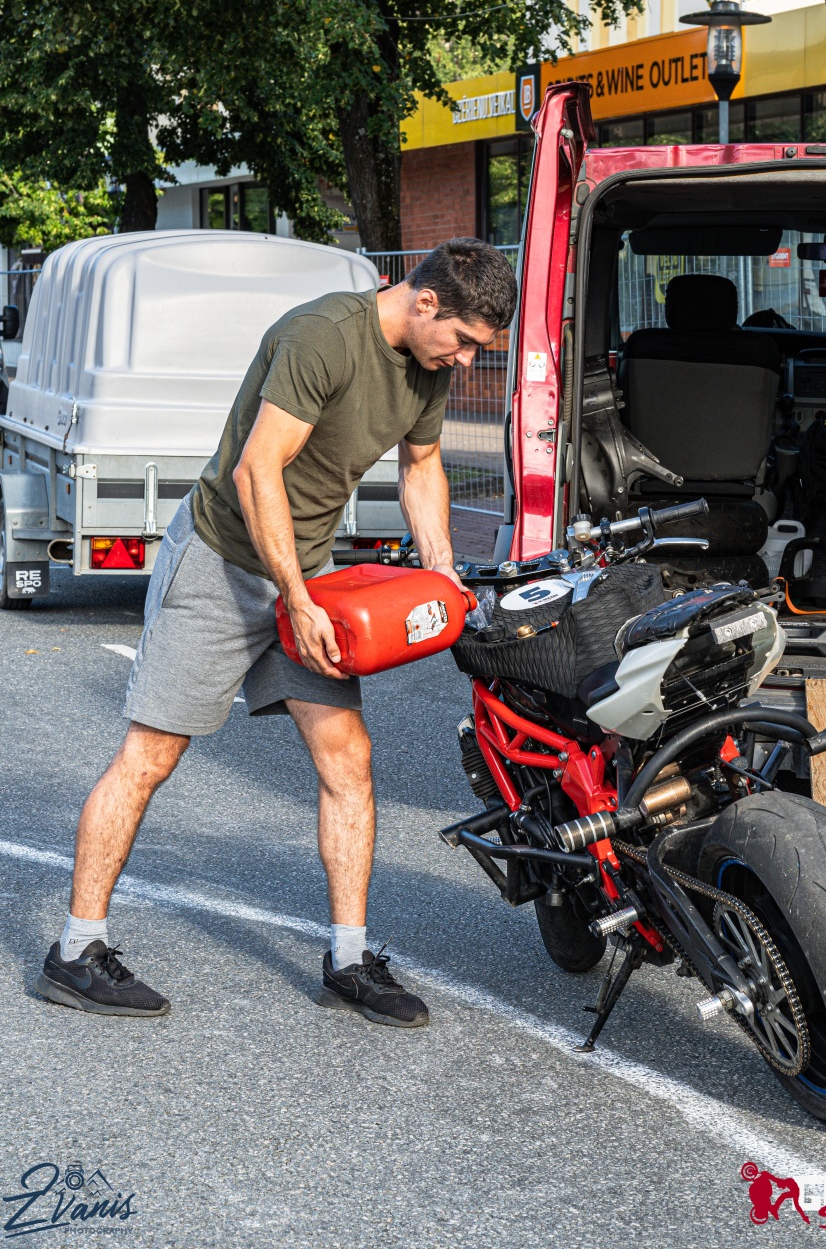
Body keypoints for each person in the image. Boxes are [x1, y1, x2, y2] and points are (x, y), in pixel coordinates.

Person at [36, 237, 517, 1027]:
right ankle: (76, 951)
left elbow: (423, 465)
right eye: (464, 341)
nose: (465, 361)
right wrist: (295, 599)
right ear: (426, 302)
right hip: (223, 563)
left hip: (306, 572)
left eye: (478, 350)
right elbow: (255, 470)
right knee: (150, 757)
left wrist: (441, 571)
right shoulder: (321, 336)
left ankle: (350, 960)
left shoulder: (426, 367)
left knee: (347, 758)